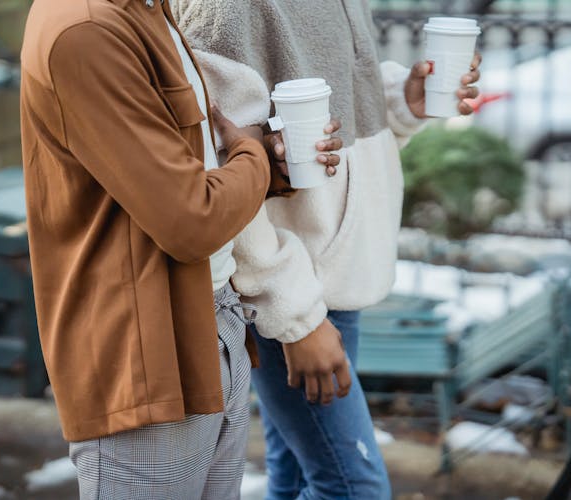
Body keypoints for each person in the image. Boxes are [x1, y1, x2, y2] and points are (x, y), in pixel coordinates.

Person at [173, 2, 482, 498]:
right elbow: (219, 160)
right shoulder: (228, 6)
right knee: (353, 486)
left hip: (332, 276)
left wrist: (403, 100)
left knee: (295, 477)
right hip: (288, 287)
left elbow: (340, 111)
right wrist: (294, 316)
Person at [19, 0, 300, 498]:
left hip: (213, 317)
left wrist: (263, 163)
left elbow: (185, 172)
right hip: (145, 355)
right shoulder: (85, 30)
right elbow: (190, 220)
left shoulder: (148, 8)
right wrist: (253, 158)